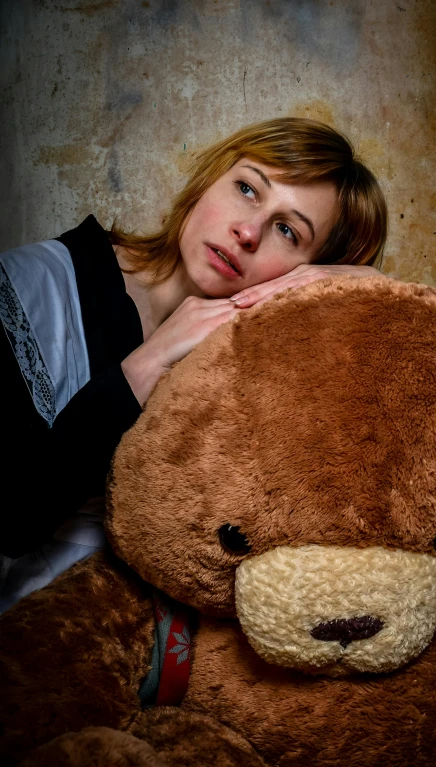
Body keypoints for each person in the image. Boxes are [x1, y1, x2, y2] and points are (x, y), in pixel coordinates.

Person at [0, 117, 387, 611]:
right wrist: (149, 361)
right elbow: (14, 516)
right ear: (210, 180)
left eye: (287, 231)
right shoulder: (36, 284)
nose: (247, 231)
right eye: (247, 188)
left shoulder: (258, 362)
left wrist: (353, 280)